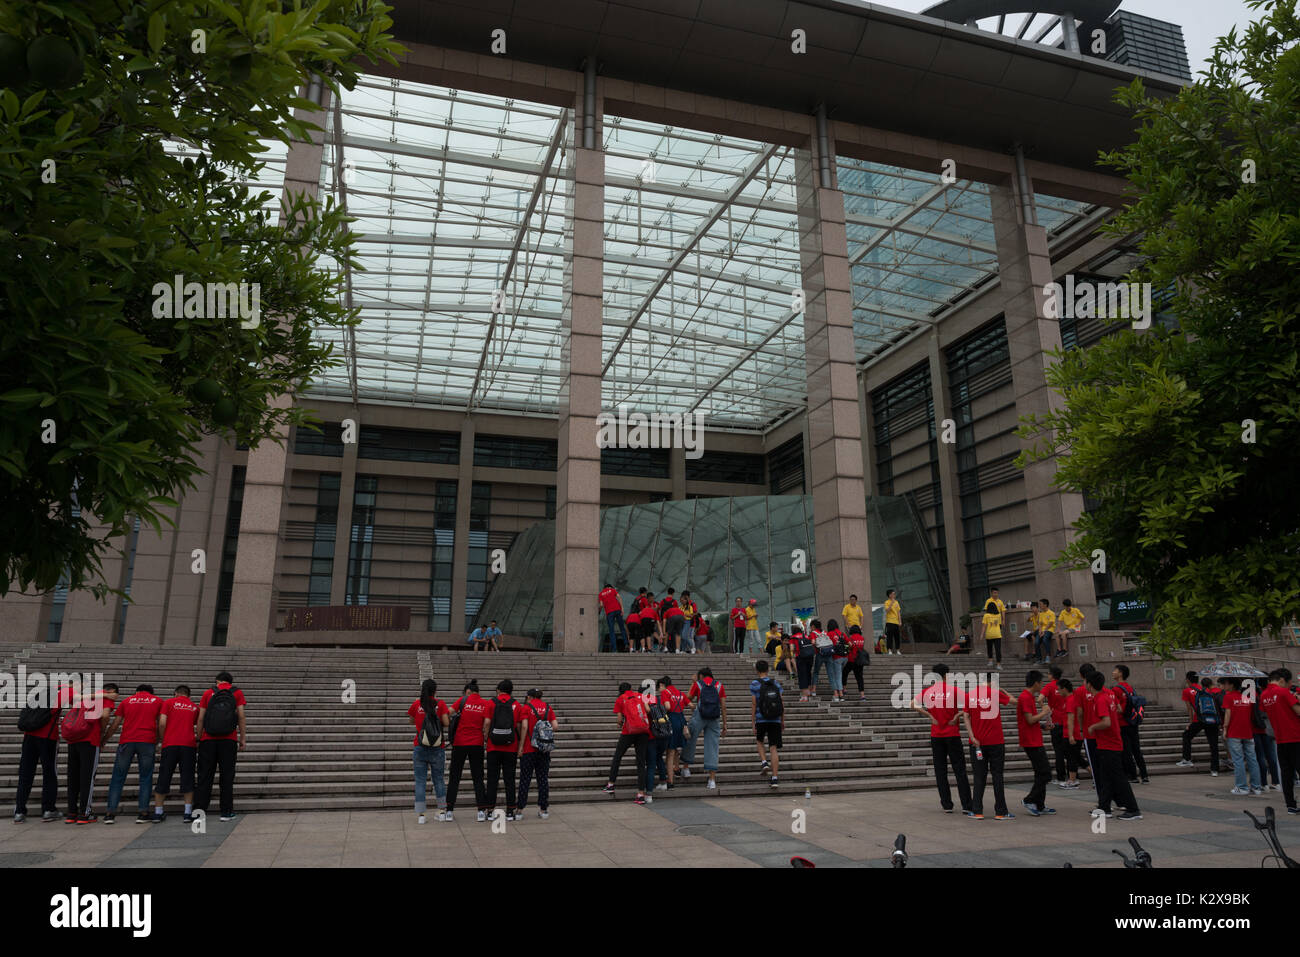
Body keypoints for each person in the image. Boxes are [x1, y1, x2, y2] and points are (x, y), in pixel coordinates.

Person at [910, 663, 972, 814]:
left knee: (940, 770)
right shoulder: (954, 690)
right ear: (946, 675)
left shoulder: (928, 691)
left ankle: (947, 805)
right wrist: (957, 715)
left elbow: (913, 704)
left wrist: (930, 715)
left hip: (936, 735)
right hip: (952, 734)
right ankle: (966, 804)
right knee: (960, 770)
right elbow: (969, 706)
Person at [1084, 671, 1141, 821]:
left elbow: (1106, 722)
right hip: (1108, 743)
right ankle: (1104, 808)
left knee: (1118, 778)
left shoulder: (1100, 700)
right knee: (1106, 777)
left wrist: (1092, 727)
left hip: (1110, 744)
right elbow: (1118, 711)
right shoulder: (1107, 696)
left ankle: (1133, 809)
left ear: (1089, 684)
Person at [103, 684, 164, 824]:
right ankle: (143, 813)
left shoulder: (127, 701)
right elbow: (161, 722)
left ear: (136, 691)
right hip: (147, 741)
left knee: (118, 777)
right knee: (146, 777)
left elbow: (115, 723)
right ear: (151, 692)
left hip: (126, 741)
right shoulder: (158, 701)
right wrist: (160, 739)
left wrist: (104, 739)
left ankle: (110, 813)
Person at [14, 681, 73, 824]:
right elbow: (83, 701)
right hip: (48, 738)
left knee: (25, 775)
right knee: (50, 774)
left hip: (29, 736)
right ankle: (48, 810)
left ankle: (19, 812)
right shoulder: (68, 691)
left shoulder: (45, 692)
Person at [63, 682, 120, 825]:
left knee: (73, 776)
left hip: (73, 740)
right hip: (89, 740)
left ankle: (71, 813)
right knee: (87, 777)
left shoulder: (86, 697)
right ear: (113, 691)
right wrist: (101, 732)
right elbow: (106, 716)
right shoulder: (106, 698)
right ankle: (85, 813)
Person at [194, 672, 246, 823]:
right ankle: (226, 812)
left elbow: (201, 717)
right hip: (228, 740)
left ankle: (199, 813)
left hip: (208, 740)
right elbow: (241, 716)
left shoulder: (208, 692)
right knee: (227, 777)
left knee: (204, 777)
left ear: (217, 681)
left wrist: (199, 737)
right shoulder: (237, 693)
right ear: (230, 681)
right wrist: (242, 738)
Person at [960, 678, 1013, 820]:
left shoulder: (969, 695)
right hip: (996, 742)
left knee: (979, 776)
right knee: (997, 776)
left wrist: (972, 737)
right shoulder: (995, 693)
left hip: (977, 743)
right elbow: (1015, 702)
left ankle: (977, 811)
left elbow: (965, 716)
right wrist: (1004, 692)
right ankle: (1001, 812)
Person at [443, 679, 490, 823]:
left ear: (468, 692)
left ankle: (449, 810)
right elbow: (487, 722)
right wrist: (485, 737)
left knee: (454, 777)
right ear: (478, 692)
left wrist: (449, 725)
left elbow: (447, 712)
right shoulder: (485, 703)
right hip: (476, 743)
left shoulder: (462, 701)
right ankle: (481, 811)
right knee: (478, 777)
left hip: (460, 743)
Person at [150, 685, 199, 823]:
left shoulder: (168, 703)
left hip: (170, 744)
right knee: (188, 777)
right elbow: (197, 723)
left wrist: (161, 739)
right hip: (188, 744)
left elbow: (162, 723)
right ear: (188, 695)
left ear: (175, 693)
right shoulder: (194, 707)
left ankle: (158, 812)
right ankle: (187, 812)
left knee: (164, 776)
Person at [482, 679, 528, 822]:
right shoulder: (516, 704)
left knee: (492, 779)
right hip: (511, 747)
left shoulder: (491, 703)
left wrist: (486, 737)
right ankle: (510, 811)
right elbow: (521, 727)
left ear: (499, 690)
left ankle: (490, 810)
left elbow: (487, 722)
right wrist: (520, 745)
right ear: (511, 691)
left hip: (493, 746)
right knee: (509, 779)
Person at [408, 679, 450, 825]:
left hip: (420, 746)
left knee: (420, 781)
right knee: (438, 779)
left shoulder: (416, 704)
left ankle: (421, 815)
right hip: (437, 747)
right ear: (435, 691)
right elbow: (446, 723)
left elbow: (411, 721)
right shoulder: (441, 704)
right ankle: (442, 811)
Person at [1259, 669, 1300, 813]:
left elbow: (1265, 710)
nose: (1289, 686)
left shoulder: (1264, 695)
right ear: (1282, 680)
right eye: (1289, 683)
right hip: (1296, 735)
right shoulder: (1283, 692)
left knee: (1286, 774)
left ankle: (1291, 805)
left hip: (1280, 738)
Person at [604, 682, 651, 805]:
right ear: (631, 689)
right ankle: (641, 794)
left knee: (617, 757)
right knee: (641, 762)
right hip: (643, 731)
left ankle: (611, 784)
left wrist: (621, 722)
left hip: (628, 732)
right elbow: (648, 709)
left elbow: (619, 720)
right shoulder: (640, 695)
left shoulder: (620, 699)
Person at [1017, 670, 1056, 816]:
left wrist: (1043, 725)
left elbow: (1032, 721)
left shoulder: (1029, 697)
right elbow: (1029, 719)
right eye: (1041, 682)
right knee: (1045, 773)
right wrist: (1044, 713)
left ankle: (1039, 804)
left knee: (1041, 773)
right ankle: (1029, 799)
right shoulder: (1025, 697)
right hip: (1030, 741)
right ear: (1035, 683)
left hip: (1034, 738)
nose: (1042, 685)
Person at [516, 688, 556, 818]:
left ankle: (520, 810)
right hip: (544, 749)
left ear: (529, 697)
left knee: (525, 779)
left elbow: (524, 726)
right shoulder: (548, 708)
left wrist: (521, 746)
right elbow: (555, 726)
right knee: (543, 779)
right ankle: (543, 810)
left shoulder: (526, 708)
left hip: (529, 749)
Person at [1221, 677, 1262, 795]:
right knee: (1252, 759)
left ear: (1231, 684)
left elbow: (1228, 714)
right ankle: (1256, 787)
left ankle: (1242, 787)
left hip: (1234, 732)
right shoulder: (1247, 697)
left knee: (1238, 760)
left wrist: (1225, 729)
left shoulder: (1228, 696)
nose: (1224, 686)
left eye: (1225, 683)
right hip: (1247, 732)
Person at [686, 667, 726, 789]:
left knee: (690, 738)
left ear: (701, 676)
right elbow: (723, 706)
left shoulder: (698, 684)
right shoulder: (719, 685)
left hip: (700, 716)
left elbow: (688, 698)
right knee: (712, 746)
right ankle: (712, 780)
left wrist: (693, 683)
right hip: (714, 718)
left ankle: (686, 768)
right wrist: (725, 724)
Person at [1177, 671, 1221, 775]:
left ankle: (1187, 759)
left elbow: (1189, 709)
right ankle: (1214, 770)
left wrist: (1190, 722)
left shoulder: (1187, 690)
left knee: (1186, 735)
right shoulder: (1207, 690)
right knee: (1213, 744)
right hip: (1212, 719)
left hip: (1199, 719)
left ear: (1187, 680)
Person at [1111, 665, 1149, 784]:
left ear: (1121, 673)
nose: (1113, 673)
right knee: (1136, 749)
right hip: (1133, 722)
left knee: (1126, 751)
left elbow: (1118, 709)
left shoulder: (1116, 689)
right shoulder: (1130, 688)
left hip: (1122, 723)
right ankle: (1144, 775)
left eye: (1115, 671)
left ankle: (1132, 775)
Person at [750, 660, 783, 788]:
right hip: (775, 719)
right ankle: (774, 778)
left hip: (761, 718)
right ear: (768, 670)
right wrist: (782, 720)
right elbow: (781, 702)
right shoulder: (775, 683)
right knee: (773, 748)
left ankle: (764, 762)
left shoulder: (754, 684)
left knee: (759, 741)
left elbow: (754, 703)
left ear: (757, 670)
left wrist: (753, 721)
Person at [659, 676, 687, 787]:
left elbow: (668, 706)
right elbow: (690, 705)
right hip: (681, 720)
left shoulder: (665, 692)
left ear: (662, 685)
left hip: (671, 721)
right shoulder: (680, 693)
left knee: (669, 752)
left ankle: (670, 781)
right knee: (675, 748)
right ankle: (677, 768)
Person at [1054, 677, 1082, 789]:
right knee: (1075, 758)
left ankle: (1072, 780)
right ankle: (1073, 779)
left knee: (1072, 758)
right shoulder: (1070, 699)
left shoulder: (1070, 700)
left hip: (1071, 734)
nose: (1058, 692)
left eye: (1059, 689)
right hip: (1069, 733)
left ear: (1065, 689)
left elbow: (1071, 719)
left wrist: (1070, 735)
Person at [641, 678, 667, 795]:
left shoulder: (644, 702)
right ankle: (663, 782)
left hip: (651, 736)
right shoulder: (658, 700)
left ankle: (649, 793)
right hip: (663, 734)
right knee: (659, 758)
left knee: (651, 765)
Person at [808, 618, 837, 700]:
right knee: (831, 674)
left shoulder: (813, 633)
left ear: (813, 626)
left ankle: (813, 690)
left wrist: (814, 646)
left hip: (820, 654)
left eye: (811, 627)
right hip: (829, 654)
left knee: (816, 672)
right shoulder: (825, 632)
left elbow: (813, 642)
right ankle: (835, 693)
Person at [598, 583, 628, 653]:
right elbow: (619, 597)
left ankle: (614, 649)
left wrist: (599, 611)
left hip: (609, 613)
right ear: (610, 587)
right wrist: (622, 608)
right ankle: (626, 643)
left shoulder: (601, 594)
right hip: (617, 610)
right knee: (622, 628)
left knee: (611, 631)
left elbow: (601, 605)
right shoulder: (612, 590)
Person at [843, 625, 868, 700]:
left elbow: (849, 647)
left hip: (852, 660)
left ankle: (844, 689)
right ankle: (862, 695)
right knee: (859, 677)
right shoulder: (862, 638)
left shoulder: (851, 638)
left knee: (844, 673)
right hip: (859, 661)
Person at [790, 625, 814, 702]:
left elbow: (791, 648)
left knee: (802, 675)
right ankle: (809, 691)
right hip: (810, 657)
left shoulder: (793, 637)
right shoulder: (806, 636)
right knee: (808, 673)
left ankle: (804, 696)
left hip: (801, 657)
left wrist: (794, 652)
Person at [978, 599, 1002, 669]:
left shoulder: (986, 615)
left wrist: (981, 634)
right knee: (998, 650)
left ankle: (990, 661)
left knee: (990, 648)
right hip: (997, 635)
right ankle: (998, 664)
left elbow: (984, 626)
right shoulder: (999, 615)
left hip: (989, 635)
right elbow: (1000, 625)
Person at [660, 589, 686, 654]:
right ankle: (677, 649)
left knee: (667, 633)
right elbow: (684, 618)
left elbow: (664, 621)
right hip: (681, 617)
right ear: (673, 593)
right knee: (678, 634)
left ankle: (665, 647)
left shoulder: (666, 612)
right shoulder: (675, 604)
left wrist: (664, 632)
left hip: (672, 618)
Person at [1034, 599, 1055, 665]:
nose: (1039, 606)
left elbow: (1050, 623)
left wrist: (1044, 631)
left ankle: (1048, 656)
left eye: (1040, 604)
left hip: (1049, 630)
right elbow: (1040, 624)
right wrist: (1040, 631)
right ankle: (1039, 659)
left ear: (1045, 605)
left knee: (1045, 639)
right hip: (1042, 630)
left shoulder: (1051, 613)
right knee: (1036, 642)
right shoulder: (1041, 614)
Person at [883, 588, 902, 655]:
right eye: (893, 594)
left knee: (897, 637)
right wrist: (891, 603)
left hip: (896, 622)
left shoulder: (897, 602)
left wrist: (900, 621)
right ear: (890, 595)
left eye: (894, 594)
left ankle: (898, 650)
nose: (894, 595)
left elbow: (898, 612)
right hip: (889, 622)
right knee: (890, 637)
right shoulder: (886, 602)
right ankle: (889, 650)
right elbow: (887, 610)